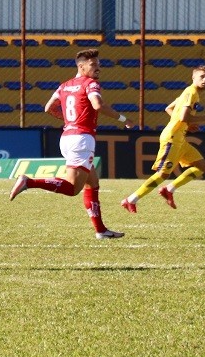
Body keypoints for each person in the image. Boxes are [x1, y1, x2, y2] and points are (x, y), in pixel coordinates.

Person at [8, 49, 131, 239]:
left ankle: (101, 231)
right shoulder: (90, 84)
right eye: (93, 65)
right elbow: (98, 105)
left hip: (67, 137)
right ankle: (29, 182)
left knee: (93, 182)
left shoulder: (64, 86)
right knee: (73, 189)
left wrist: (69, 121)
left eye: (98, 64)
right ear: (81, 67)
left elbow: (49, 108)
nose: (98, 67)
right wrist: (123, 118)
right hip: (81, 139)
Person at [120, 65, 205, 212]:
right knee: (163, 174)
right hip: (172, 138)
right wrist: (204, 119)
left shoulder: (188, 92)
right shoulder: (191, 92)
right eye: (202, 76)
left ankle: (169, 189)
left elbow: (168, 109)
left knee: (202, 166)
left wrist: (187, 125)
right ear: (193, 77)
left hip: (180, 139)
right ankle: (130, 200)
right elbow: (183, 116)